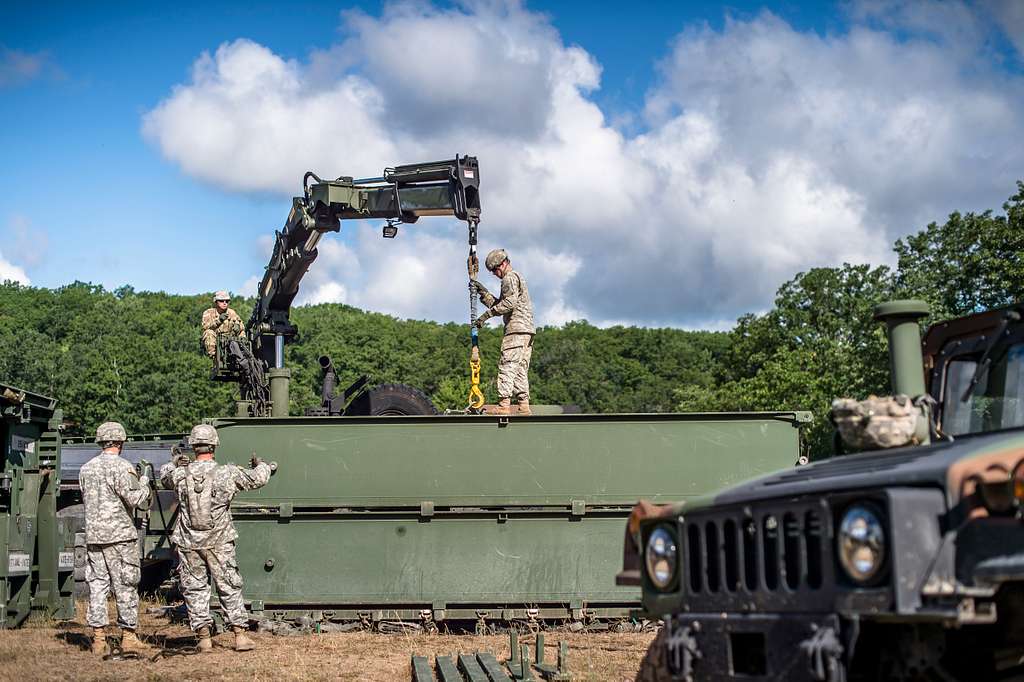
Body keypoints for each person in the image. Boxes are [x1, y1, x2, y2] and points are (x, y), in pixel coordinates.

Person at [160, 424, 273, 652]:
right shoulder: (226, 473)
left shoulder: (181, 474)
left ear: (193, 446)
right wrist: (263, 465)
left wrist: (174, 462)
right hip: (219, 540)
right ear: (214, 446)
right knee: (229, 585)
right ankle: (240, 637)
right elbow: (257, 479)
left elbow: (164, 476)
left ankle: (203, 639)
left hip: (189, 542)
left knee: (195, 588)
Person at [78, 421, 151, 655]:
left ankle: (98, 639)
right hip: (119, 536)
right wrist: (145, 483)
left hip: (95, 536)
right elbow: (136, 500)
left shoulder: (86, 469)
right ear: (120, 442)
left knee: (97, 586)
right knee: (126, 585)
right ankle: (128, 637)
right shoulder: (123, 467)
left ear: (101, 441)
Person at [472, 248, 535, 415]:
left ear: (504, 263)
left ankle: (504, 405)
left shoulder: (509, 277)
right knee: (520, 369)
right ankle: (523, 405)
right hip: (526, 331)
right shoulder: (516, 277)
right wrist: (484, 294)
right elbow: (504, 303)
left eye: (494, 269)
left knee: (507, 365)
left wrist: (485, 316)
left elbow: (508, 305)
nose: (494, 273)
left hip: (516, 330)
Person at [201, 291, 245, 359]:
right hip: (216, 340)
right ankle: (215, 356)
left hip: (229, 340)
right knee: (208, 333)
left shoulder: (232, 313)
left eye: (227, 301)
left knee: (242, 334)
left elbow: (242, 326)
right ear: (216, 302)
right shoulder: (208, 313)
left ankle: (242, 355)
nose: (224, 303)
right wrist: (219, 320)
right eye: (221, 301)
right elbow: (205, 327)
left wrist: (238, 327)